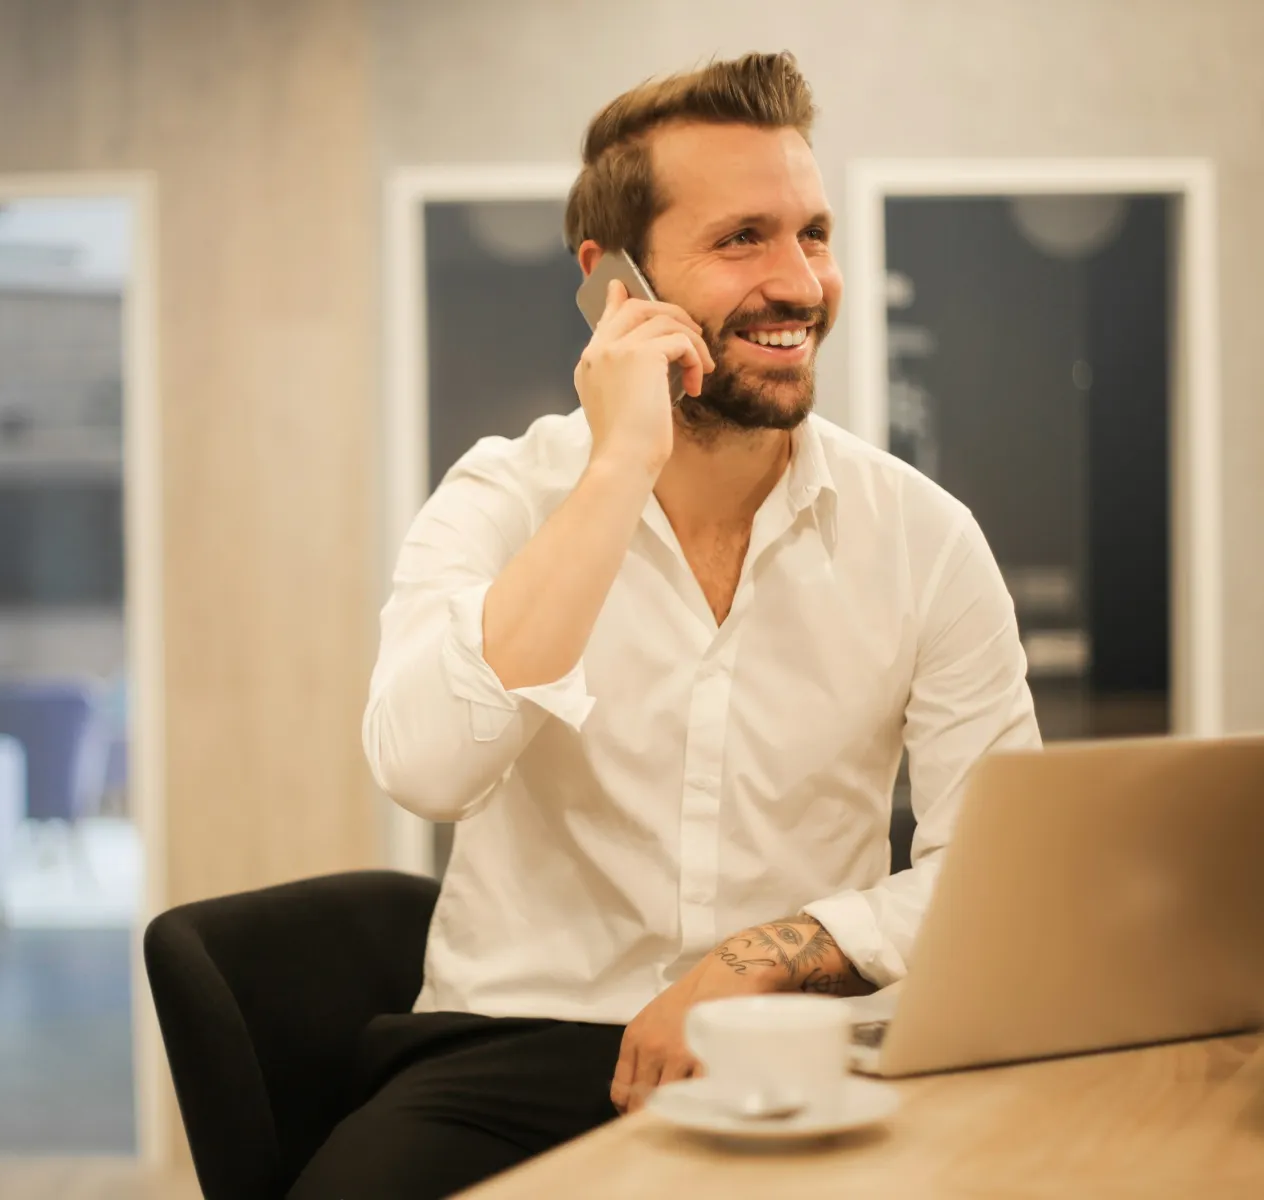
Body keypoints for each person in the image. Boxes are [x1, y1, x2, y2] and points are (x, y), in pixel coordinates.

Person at [290, 50, 1040, 1200]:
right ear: (614, 282)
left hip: (802, 1045)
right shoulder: (501, 497)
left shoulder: (925, 538)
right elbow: (426, 769)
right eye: (743, 239)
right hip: (512, 1047)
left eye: (814, 234)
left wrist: (757, 959)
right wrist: (618, 466)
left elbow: (994, 870)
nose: (800, 283)